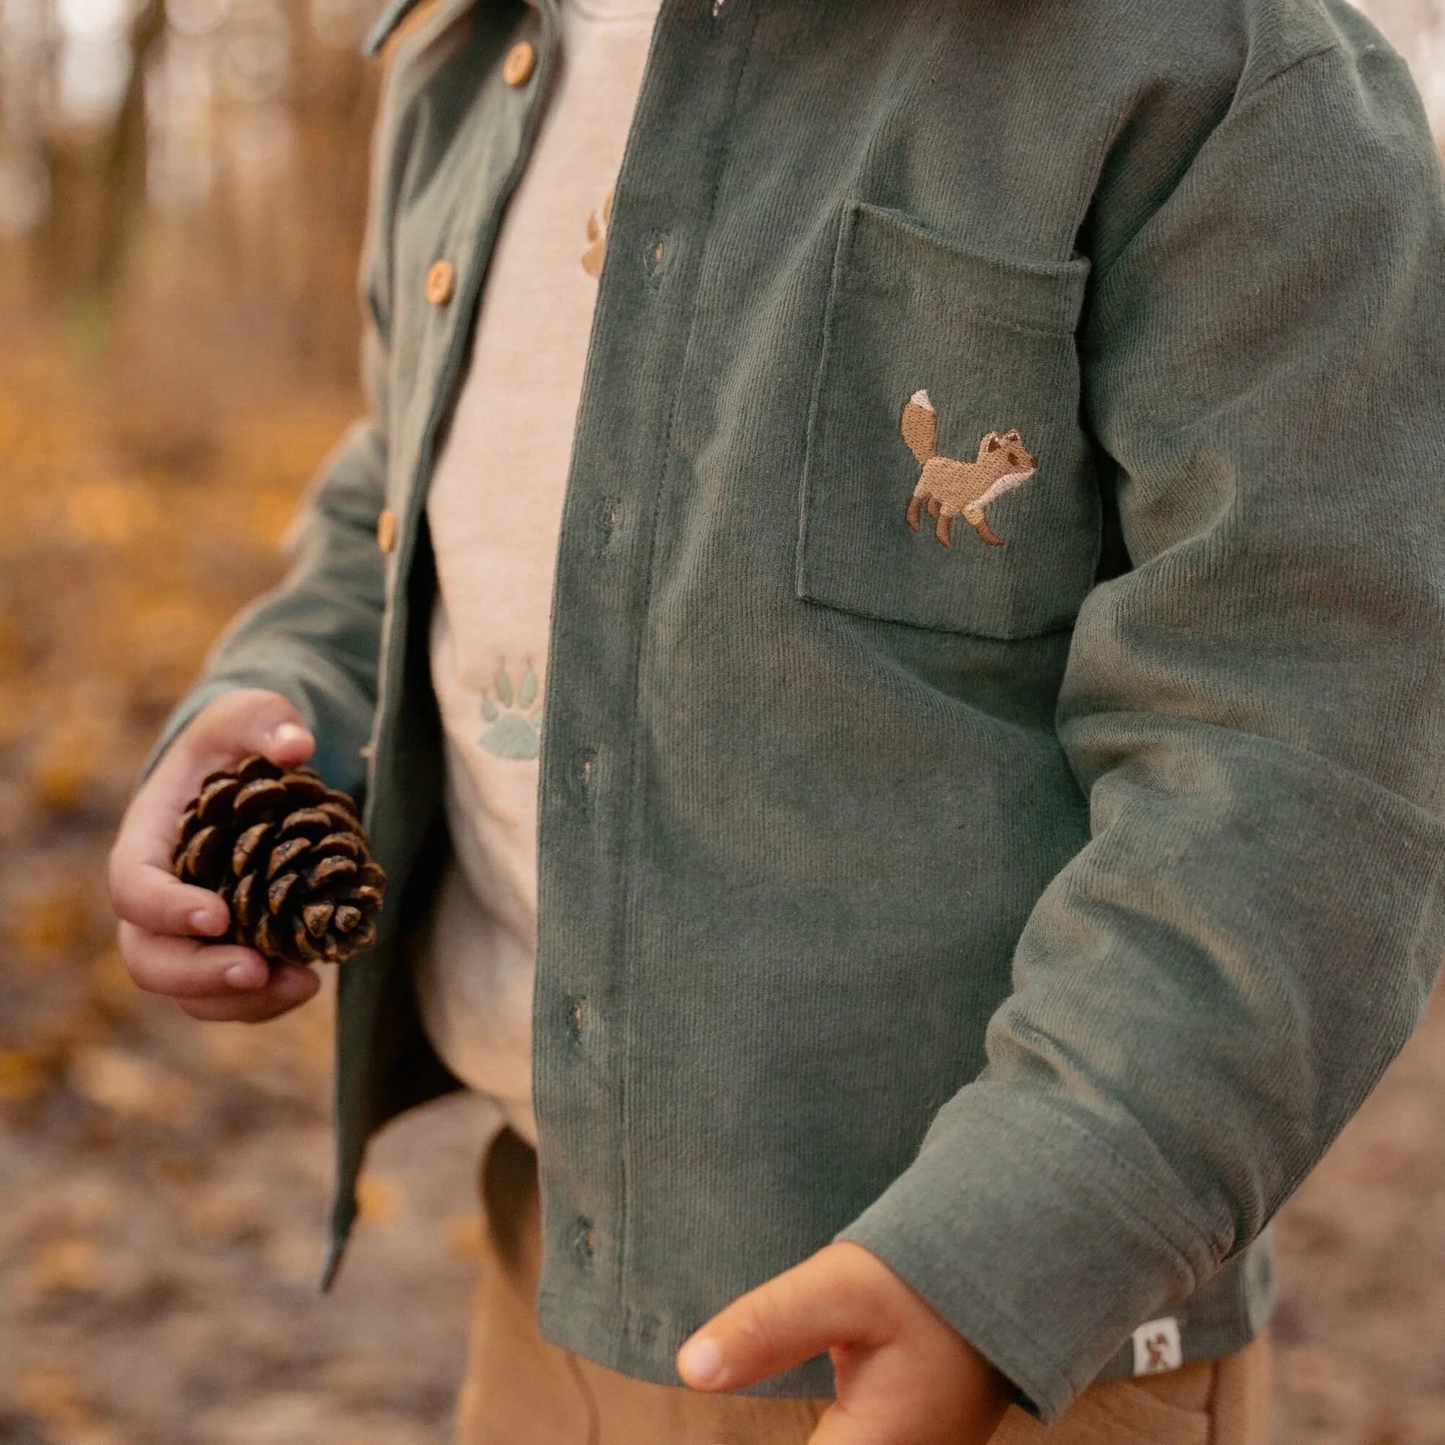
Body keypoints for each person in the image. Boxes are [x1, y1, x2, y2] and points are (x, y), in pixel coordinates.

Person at [108, 0, 1445, 1440]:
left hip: (1007, 1344)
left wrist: (1004, 1254)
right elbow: (399, 483)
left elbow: (1297, 747)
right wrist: (283, 704)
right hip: (552, 1274)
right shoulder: (453, 49)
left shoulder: (1216, 66)